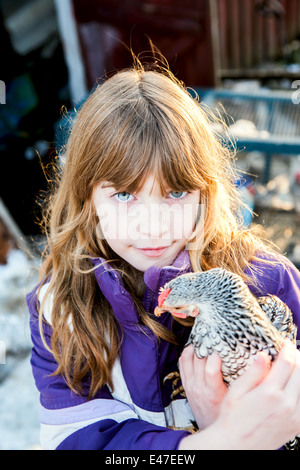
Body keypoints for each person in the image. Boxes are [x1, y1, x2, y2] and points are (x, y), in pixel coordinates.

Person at [27, 58, 300, 450]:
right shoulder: (60, 310)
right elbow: (76, 440)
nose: (152, 225)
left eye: (175, 193)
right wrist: (219, 439)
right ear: (88, 198)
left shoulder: (268, 281)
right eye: (124, 194)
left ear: (204, 192)